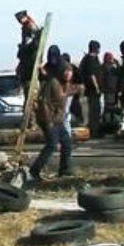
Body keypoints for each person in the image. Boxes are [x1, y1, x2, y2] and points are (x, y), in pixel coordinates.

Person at [30, 46, 80, 179]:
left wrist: (78, 89)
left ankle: (64, 170)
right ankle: (35, 170)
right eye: (67, 72)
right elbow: (44, 104)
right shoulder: (52, 83)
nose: (69, 74)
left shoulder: (63, 83)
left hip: (58, 118)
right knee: (52, 145)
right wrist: (48, 123)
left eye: (70, 72)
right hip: (50, 119)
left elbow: (64, 95)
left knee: (67, 143)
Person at [78, 40, 104, 136]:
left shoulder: (89, 59)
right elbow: (92, 75)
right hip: (92, 90)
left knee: (94, 111)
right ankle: (94, 131)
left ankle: (94, 129)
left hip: (91, 89)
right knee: (94, 111)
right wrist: (97, 88)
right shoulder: (91, 60)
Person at [14, 10, 42, 97]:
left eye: (21, 18)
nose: (20, 21)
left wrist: (24, 48)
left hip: (30, 53)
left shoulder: (30, 26)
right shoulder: (26, 26)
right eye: (19, 20)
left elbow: (31, 41)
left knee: (22, 71)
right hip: (27, 51)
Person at [101, 52, 122, 134]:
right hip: (114, 90)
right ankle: (114, 126)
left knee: (108, 109)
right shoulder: (116, 67)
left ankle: (109, 126)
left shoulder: (103, 67)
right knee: (114, 109)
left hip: (108, 90)